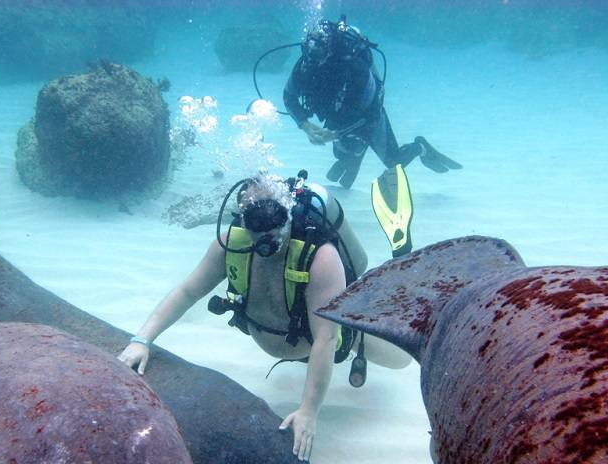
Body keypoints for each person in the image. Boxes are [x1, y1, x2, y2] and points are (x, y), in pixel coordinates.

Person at [118, 173, 411, 462]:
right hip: (294, 335)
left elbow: (326, 339)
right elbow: (187, 291)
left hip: (325, 338)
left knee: (401, 359)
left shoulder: (320, 256)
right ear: (243, 221)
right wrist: (142, 339)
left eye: (274, 225)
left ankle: (401, 260)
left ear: (288, 215)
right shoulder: (229, 244)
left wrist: (308, 410)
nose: (266, 239)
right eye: (256, 227)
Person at [283, 15, 462, 189]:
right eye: (308, 51)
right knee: (340, 153)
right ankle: (355, 152)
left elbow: (372, 112)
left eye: (317, 52)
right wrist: (304, 124)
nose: (312, 59)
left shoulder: (354, 67)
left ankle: (420, 147)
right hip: (339, 116)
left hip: (368, 115)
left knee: (394, 161)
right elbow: (288, 96)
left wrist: (336, 134)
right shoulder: (305, 65)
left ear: (329, 51)